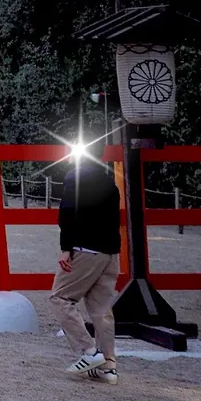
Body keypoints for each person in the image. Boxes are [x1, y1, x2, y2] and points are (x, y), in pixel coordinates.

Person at [50, 142, 121, 385]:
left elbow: (67, 214)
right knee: (102, 311)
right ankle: (108, 367)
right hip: (110, 252)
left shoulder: (76, 177)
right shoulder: (109, 180)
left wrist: (65, 248)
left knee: (60, 297)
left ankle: (89, 352)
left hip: (85, 249)